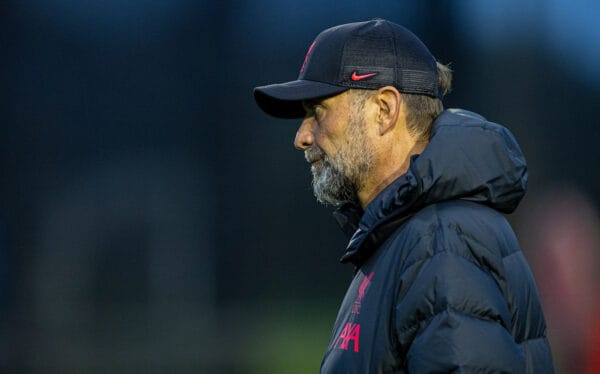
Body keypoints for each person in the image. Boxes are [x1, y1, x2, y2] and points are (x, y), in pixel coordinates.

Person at [254, 19, 554, 373]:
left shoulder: (441, 241)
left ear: (384, 110)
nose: (302, 137)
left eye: (317, 112)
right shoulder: (405, 237)